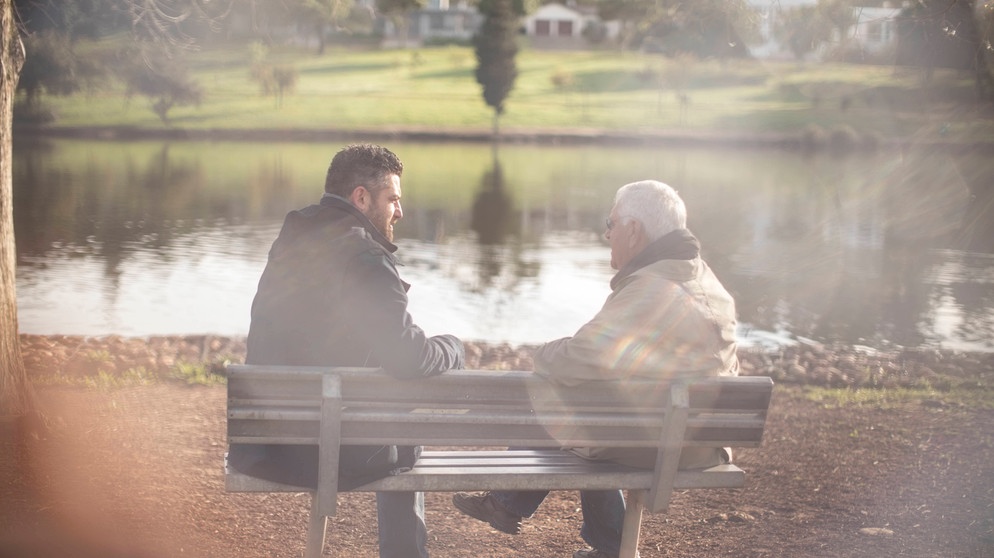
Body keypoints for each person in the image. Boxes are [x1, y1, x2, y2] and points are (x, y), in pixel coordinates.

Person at [452, 180, 739, 558]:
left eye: (612, 222)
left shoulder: (651, 287)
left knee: (565, 400)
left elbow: (581, 356)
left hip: (659, 443)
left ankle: (508, 502)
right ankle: (598, 544)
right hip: (702, 443)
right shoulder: (704, 279)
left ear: (634, 231)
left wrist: (542, 355)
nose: (607, 233)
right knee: (600, 412)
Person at [229, 143, 465, 558]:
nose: (400, 212)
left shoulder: (293, 236)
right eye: (393, 199)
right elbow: (410, 358)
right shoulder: (365, 257)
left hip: (268, 446)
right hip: (328, 451)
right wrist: (454, 348)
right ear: (361, 196)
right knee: (404, 435)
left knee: (380, 409)